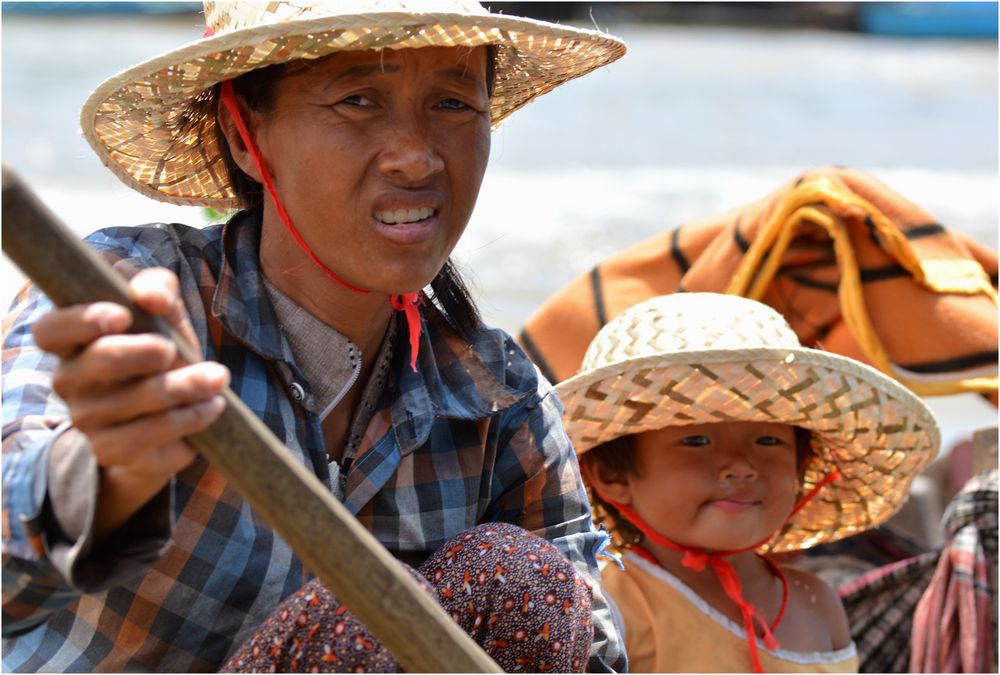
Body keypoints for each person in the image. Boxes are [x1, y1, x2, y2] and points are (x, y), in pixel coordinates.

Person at [1, 2, 628, 672]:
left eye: (452, 103)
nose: (416, 159)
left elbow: (592, 641)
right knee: (359, 623)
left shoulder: (496, 393)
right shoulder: (139, 293)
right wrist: (111, 468)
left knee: (517, 578)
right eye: (359, 99)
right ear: (245, 133)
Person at [554, 292, 941, 673]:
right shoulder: (610, 602)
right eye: (697, 440)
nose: (740, 467)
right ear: (612, 475)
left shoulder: (818, 604)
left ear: (800, 467)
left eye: (768, 440)